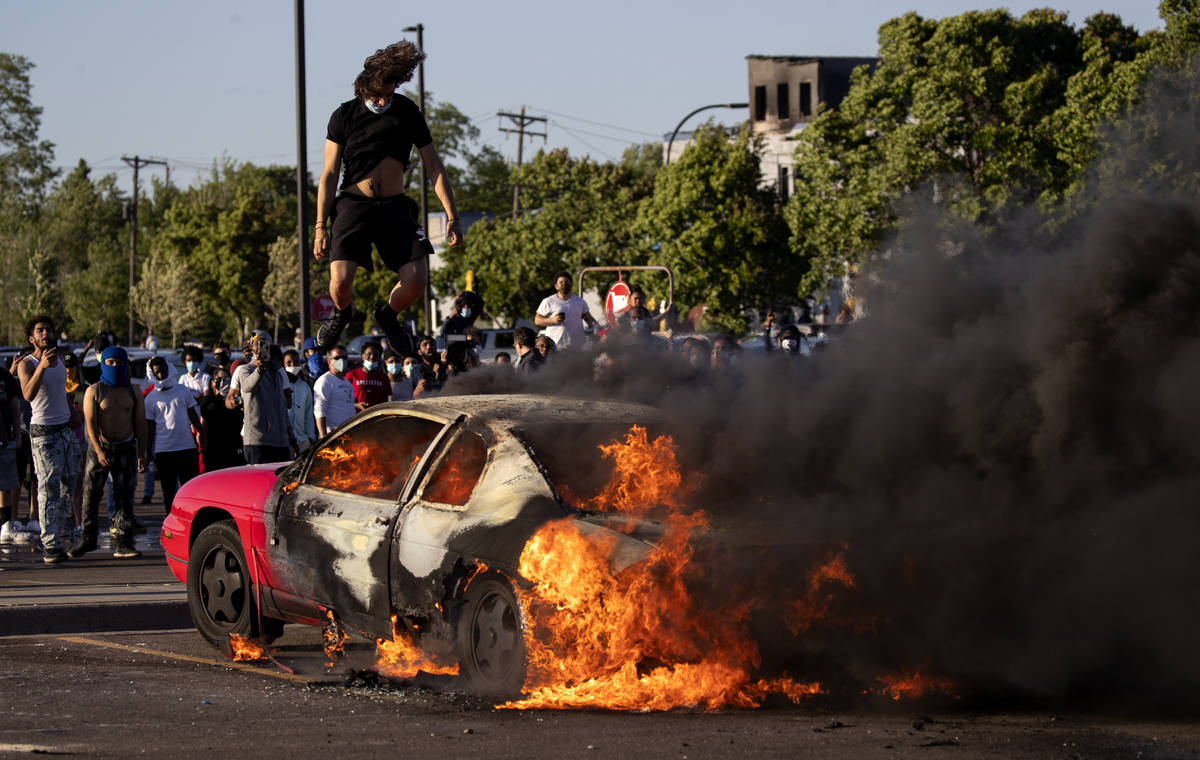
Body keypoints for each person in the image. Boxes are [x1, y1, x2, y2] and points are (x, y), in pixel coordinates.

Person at [313, 41, 464, 356]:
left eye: (389, 95)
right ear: (365, 87)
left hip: (395, 208)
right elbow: (328, 173)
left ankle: (387, 315)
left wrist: (451, 215)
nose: (383, 101)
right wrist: (319, 226)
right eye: (377, 96)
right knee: (340, 281)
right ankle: (342, 313)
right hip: (354, 206)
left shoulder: (407, 111)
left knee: (418, 278)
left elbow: (433, 166)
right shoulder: (344, 115)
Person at [68, 347, 148, 559]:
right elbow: (90, 424)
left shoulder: (134, 391)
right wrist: (98, 450)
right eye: (110, 362)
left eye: (118, 363)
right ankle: (88, 538)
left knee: (125, 495)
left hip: (126, 447)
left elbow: (141, 424)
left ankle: (123, 541)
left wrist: (143, 452)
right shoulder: (94, 390)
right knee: (91, 494)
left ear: (126, 365)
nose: (114, 366)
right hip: (101, 447)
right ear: (103, 364)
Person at [16, 316, 81, 564]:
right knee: (47, 486)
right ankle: (50, 544)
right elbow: (28, 394)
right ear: (32, 338)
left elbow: (62, 392)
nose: (46, 333)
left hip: (65, 427)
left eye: (48, 329)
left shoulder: (60, 361)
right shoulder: (28, 363)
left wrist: (72, 413)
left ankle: (58, 530)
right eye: (40, 330)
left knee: (71, 480)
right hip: (43, 432)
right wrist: (41, 366)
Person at [145, 356, 204, 513]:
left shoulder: (182, 390)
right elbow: (150, 429)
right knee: (168, 492)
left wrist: (202, 435)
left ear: (168, 368)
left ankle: (191, 519)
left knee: (190, 490)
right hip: (164, 451)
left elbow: (193, 415)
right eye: (157, 372)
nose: (161, 375)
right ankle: (171, 522)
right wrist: (147, 453)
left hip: (186, 448)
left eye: (163, 371)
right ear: (152, 374)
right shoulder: (150, 399)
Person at [227, 331, 293, 465]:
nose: (261, 346)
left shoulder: (278, 373)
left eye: (264, 343)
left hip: (281, 443)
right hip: (258, 441)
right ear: (252, 347)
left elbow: (285, 405)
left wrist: (291, 437)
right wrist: (259, 371)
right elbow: (246, 386)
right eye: (258, 343)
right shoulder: (245, 369)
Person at [534, 271, 598, 349]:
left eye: (566, 282)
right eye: (561, 282)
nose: (564, 284)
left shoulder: (579, 301)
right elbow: (537, 320)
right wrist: (552, 320)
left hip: (577, 347)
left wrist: (599, 329)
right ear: (556, 286)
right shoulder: (548, 301)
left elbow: (589, 319)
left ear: (571, 284)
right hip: (556, 347)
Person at [199, 368, 244, 471]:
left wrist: (232, 399)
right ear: (213, 383)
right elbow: (207, 412)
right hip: (214, 448)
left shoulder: (236, 400)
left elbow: (239, 417)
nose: (224, 383)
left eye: (227, 380)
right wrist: (219, 396)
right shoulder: (208, 400)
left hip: (233, 447)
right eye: (220, 379)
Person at [0, 359, 24, 545]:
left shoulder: (4, 375)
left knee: (6, 484)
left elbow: (14, 405)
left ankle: (6, 525)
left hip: (3, 438)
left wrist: (17, 435)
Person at [313, 345, 356, 437]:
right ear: (329, 361)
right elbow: (319, 411)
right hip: (333, 438)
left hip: (349, 437)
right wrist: (324, 437)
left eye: (344, 357)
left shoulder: (347, 383)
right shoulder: (325, 381)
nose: (341, 360)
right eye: (337, 358)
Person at [283, 349, 317, 452]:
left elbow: (308, 414)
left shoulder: (305, 387)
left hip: (302, 441)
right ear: (284, 364)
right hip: (284, 441)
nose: (292, 365)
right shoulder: (278, 384)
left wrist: (310, 437)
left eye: (296, 362)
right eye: (289, 362)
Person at [345, 340, 389, 411]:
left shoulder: (383, 377)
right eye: (369, 354)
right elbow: (343, 400)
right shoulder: (351, 375)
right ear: (362, 357)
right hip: (356, 418)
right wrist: (356, 405)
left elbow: (386, 401)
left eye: (375, 354)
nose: (372, 357)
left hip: (378, 418)